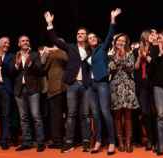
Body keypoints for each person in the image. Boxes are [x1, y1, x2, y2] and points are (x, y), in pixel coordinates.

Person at [44, 11, 92, 153]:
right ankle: (69, 142)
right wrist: (49, 24)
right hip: (72, 84)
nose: (79, 35)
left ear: (87, 37)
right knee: (71, 114)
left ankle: (86, 141)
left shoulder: (91, 50)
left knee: (84, 115)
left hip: (85, 85)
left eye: (82, 33)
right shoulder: (70, 47)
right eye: (78, 33)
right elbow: (55, 40)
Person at [85, 8, 121, 155]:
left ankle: (112, 142)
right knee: (95, 114)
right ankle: (98, 141)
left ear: (97, 39)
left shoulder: (102, 48)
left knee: (106, 112)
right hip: (91, 86)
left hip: (102, 83)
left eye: (94, 37)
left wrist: (112, 19)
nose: (92, 38)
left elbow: (110, 34)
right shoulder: (87, 53)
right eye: (89, 37)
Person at [13, 35, 46, 152]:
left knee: (36, 116)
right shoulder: (15, 55)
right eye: (23, 41)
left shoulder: (35, 55)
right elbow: (11, 73)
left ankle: (40, 142)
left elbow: (41, 71)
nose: (25, 42)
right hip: (19, 90)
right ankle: (26, 142)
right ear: (19, 44)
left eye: (27, 40)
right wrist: (16, 65)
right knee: (23, 117)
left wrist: (31, 63)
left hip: (33, 89)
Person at [108, 33, 139, 153]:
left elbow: (131, 68)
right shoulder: (110, 54)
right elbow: (110, 68)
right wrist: (116, 57)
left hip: (128, 86)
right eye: (118, 40)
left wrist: (123, 56)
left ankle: (128, 142)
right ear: (115, 42)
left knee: (128, 116)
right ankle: (120, 142)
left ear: (126, 43)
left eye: (123, 41)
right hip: (115, 86)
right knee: (117, 116)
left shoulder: (130, 53)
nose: (120, 42)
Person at [39, 45, 68, 149]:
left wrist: (47, 54)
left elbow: (43, 68)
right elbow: (42, 69)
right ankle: (63, 139)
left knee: (56, 116)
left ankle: (58, 141)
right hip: (61, 88)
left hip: (57, 89)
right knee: (60, 116)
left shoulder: (58, 53)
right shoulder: (62, 53)